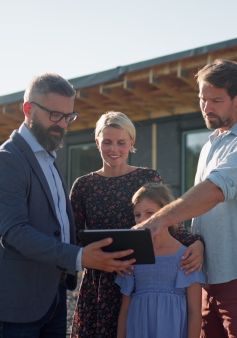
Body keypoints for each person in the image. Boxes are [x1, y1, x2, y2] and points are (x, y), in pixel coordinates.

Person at [0, 73, 136, 338]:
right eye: (54, 115)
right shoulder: (7, 159)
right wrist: (80, 256)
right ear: (28, 109)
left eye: (68, 116)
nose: (61, 124)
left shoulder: (47, 157)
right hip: (16, 302)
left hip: (53, 297)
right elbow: (13, 232)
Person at [136, 59, 237, 337]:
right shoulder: (210, 144)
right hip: (205, 277)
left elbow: (214, 191)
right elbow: (206, 213)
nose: (206, 107)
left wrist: (158, 220)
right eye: (202, 99)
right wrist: (197, 243)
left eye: (216, 100)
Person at [69, 111, 204, 338]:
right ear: (97, 143)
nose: (114, 149)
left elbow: (168, 223)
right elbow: (74, 238)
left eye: (121, 143)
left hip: (142, 278)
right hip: (100, 283)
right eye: (107, 142)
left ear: (131, 143)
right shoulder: (83, 185)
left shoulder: (148, 178)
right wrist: (103, 260)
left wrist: (197, 244)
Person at [116, 183, 205, 338]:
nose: (142, 220)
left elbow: (194, 312)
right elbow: (124, 310)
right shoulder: (133, 257)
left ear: (167, 213)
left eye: (150, 213)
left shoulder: (186, 257)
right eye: (137, 215)